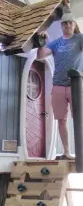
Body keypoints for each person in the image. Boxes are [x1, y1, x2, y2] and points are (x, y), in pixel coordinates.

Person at [37, 13, 83, 159]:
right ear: (61, 26)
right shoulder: (56, 42)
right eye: (64, 23)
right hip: (58, 86)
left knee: (79, 118)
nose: (67, 25)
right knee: (61, 120)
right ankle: (67, 152)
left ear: (74, 25)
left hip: (76, 86)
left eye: (70, 23)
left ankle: (80, 151)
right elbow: (40, 55)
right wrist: (41, 42)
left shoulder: (80, 39)